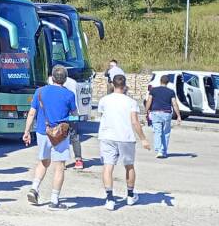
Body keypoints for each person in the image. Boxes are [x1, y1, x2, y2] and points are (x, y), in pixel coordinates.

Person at [22, 65, 77, 210]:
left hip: (42, 132)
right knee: (59, 167)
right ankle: (54, 200)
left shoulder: (40, 92)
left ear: (52, 78)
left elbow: (32, 113)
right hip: (60, 134)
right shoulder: (69, 95)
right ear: (65, 79)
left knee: (44, 161)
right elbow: (75, 114)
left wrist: (27, 132)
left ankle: (34, 188)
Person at [98, 75, 152, 210]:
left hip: (107, 136)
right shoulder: (130, 102)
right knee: (129, 166)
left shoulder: (104, 100)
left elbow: (102, 115)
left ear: (112, 85)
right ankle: (130, 195)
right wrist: (143, 138)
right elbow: (134, 121)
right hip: (125, 137)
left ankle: (110, 199)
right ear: (125, 85)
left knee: (108, 166)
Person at [145, 75, 182, 158]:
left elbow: (149, 101)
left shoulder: (153, 90)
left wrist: (146, 111)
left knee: (157, 132)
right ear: (167, 82)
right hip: (166, 113)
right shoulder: (171, 92)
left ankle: (159, 150)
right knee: (166, 133)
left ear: (160, 81)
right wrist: (178, 116)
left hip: (156, 113)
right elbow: (174, 104)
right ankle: (164, 151)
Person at [61, 74, 85, 169]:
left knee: (61, 137)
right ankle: (78, 160)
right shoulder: (74, 82)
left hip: (63, 114)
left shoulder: (52, 82)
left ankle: (62, 163)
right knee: (75, 137)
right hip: (74, 114)